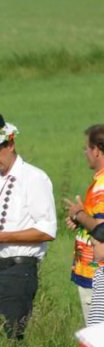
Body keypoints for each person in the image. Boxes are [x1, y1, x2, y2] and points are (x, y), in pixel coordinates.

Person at [0, 114, 56, 339]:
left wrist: (0, 237)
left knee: (9, 337)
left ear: (11, 144)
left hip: (19, 269)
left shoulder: (33, 178)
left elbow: (47, 231)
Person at [65, 125, 104, 323]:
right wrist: (80, 221)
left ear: (96, 150)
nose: (85, 153)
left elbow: (101, 228)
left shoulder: (101, 186)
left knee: (97, 336)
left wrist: (79, 214)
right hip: (94, 272)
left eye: (86, 148)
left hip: (95, 273)